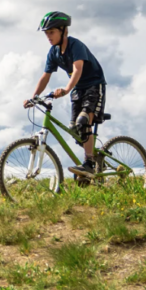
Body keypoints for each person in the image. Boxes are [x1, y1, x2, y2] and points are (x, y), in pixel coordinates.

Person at [25, 11, 107, 178]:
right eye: (46, 33)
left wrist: (66, 89)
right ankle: (91, 164)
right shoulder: (53, 52)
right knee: (74, 129)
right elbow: (45, 76)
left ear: (63, 31)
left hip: (93, 85)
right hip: (78, 89)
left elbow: (77, 70)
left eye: (52, 32)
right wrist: (34, 97)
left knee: (83, 122)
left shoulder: (75, 46)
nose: (48, 36)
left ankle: (89, 164)